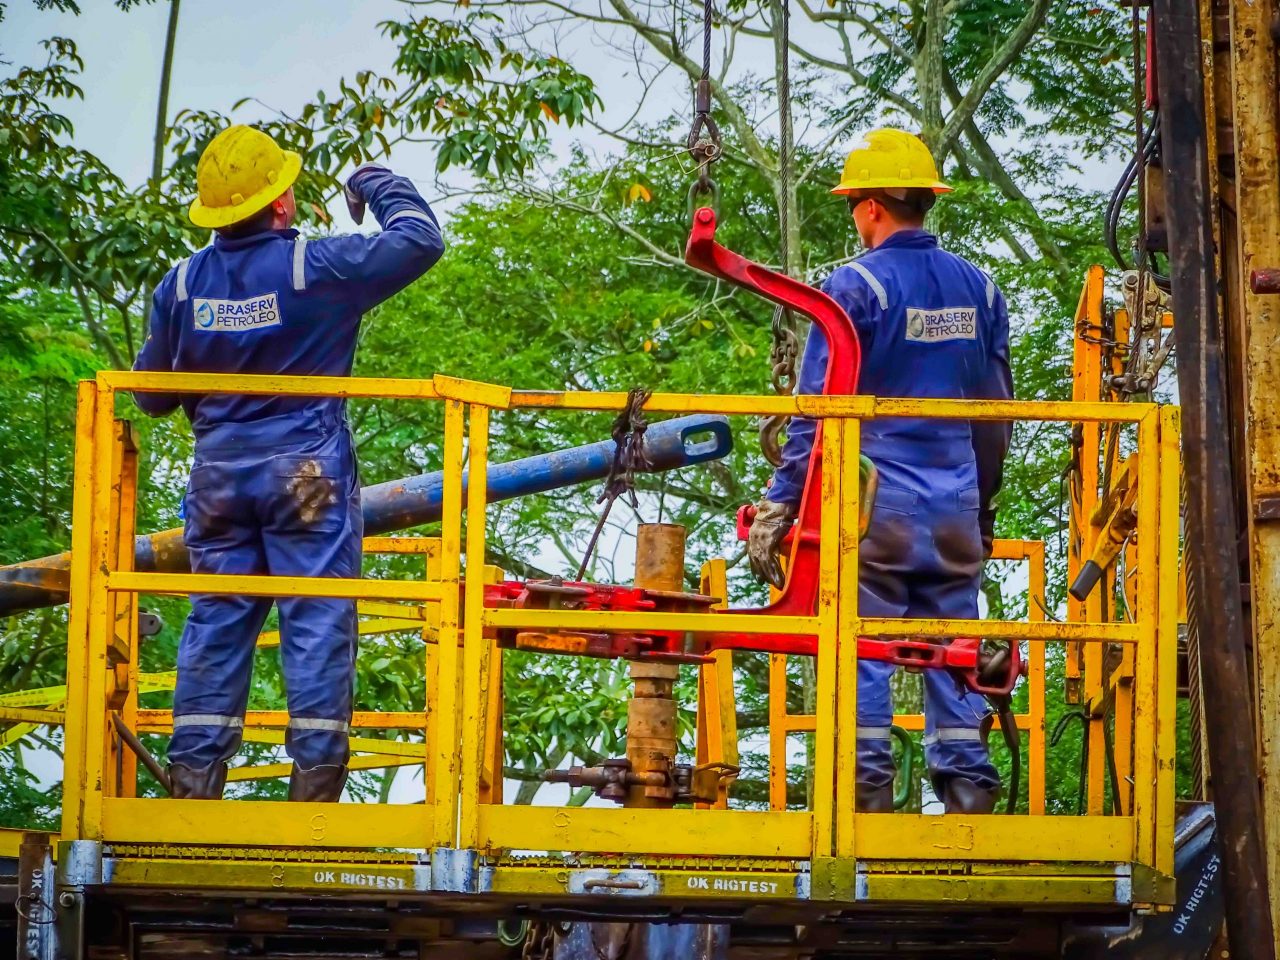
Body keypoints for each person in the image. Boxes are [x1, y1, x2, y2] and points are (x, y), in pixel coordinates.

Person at [133, 125, 445, 801]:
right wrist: (373, 183)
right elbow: (421, 238)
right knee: (317, 615)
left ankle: (192, 787)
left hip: (219, 481)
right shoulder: (315, 268)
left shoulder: (181, 284)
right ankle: (313, 795)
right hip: (304, 476)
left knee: (216, 620)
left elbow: (151, 396)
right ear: (281, 204)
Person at [746, 128, 1013, 814]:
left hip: (876, 506)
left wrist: (781, 504)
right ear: (925, 200)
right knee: (952, 635)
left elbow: (815, 414)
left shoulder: (854, 287)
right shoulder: (979, 288)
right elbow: (996, 410)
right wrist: (981, 508)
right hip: (955, 496)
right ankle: (967, 786)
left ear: (870, 208)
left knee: (861, 638)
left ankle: (867, 791)